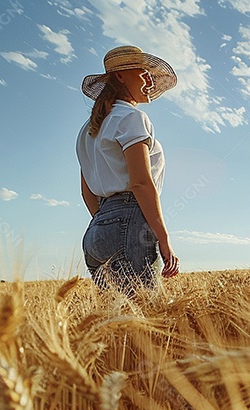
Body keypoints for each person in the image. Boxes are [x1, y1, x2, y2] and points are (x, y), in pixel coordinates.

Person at [77, 45, 180, 292]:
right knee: (148, 318)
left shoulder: (88, 129)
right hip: (130, 221)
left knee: (116, 320)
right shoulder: (132, 117)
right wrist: (164, 239)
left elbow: (86, 191)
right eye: (142, 72)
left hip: (95, 232)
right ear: (120, 76)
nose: (149, 78)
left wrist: (106, 223)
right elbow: (141, 183)